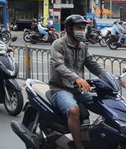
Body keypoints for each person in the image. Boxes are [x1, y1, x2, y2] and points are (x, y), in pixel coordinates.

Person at [47, 14, 117, 149]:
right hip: (60, 89)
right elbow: (59, 66)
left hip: (79, 89)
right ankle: (79, 146)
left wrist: (111, 78)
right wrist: (77, 78)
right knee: (73, 110)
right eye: (78, 28)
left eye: (83, 28)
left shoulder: (83, 47)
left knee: (107, 104)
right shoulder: (58, 44)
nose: (82, 31)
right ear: (68, 29)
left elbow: (94, 66)